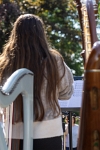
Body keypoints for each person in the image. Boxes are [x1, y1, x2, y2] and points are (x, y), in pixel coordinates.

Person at [0, 14, 74, 150]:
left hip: (14, 133)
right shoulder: (54, 61)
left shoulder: (5, 63)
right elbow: (67, 93)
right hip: (49, 132)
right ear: (41, 34)